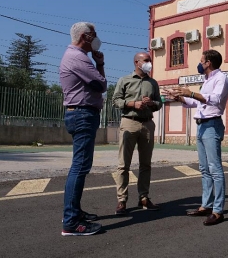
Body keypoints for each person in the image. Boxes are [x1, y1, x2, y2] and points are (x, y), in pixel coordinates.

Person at [162, 49, 228, 226]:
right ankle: (206, 206)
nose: (199, 64)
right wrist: (179, 97)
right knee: (204, 168)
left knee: (215, 168)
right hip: (201, 126)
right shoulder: (206, 80)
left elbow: (214, 99)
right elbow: (197, 102)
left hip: (212, 125)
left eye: (201, 61)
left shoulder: (221, 78)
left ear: (208, 63)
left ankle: (218, 211)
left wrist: (190, 93)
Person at [59, 22, 107, 236]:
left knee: (80, 166)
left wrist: (98, 64)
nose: (96, 39)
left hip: (81, 114)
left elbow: (98, 84)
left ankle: (75, 212)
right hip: (82, 114)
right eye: (94, 35)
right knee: (79, 167)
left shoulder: (77, 56)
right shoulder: (77, 57)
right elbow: (101, 84)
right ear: (85, 36)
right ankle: (70, 222)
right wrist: (100, 66)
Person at [112, 52, 163, 215]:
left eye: (150, 60)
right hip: (129, 122)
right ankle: (121, 200)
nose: (149, 63)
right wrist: (132, 103)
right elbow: (115, 101)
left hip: (147, 123)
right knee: (123, 165)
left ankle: (144, 197)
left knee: (146, 164)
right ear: (137, 62)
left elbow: (159, 103)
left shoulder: (153, 82)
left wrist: (152, 103)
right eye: (146, 60)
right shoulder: (124, 80)